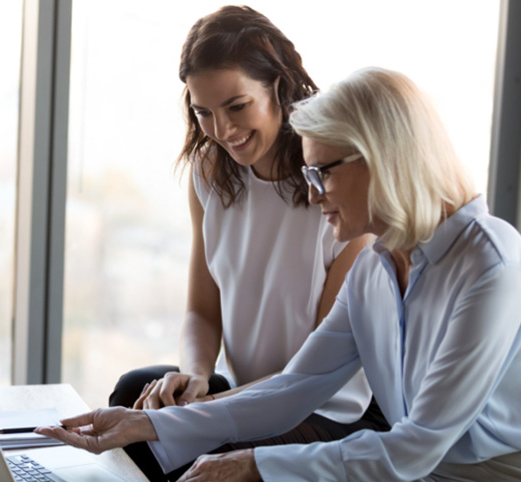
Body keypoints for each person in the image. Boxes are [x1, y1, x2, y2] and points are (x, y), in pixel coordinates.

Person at [42, 68, 521, 481]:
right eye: (308, 172)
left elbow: (415, 446)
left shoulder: (490, 266)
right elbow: (296, 386)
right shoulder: (377, 268)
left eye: (322, 171)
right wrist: (149, 425)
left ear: (384, 159)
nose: (311, 192)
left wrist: (257, 464)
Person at [106, 6, 387, 480]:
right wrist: (195, 375)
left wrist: (203, 412)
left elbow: (314, 374)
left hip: (327, 409)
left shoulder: (339, 191)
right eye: (203, 112)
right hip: (244, 392)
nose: (221, 131)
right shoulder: (210, 176)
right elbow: (201, 310)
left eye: (237, 106)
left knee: (184, 445)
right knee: (134, 392)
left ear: (278, 85)